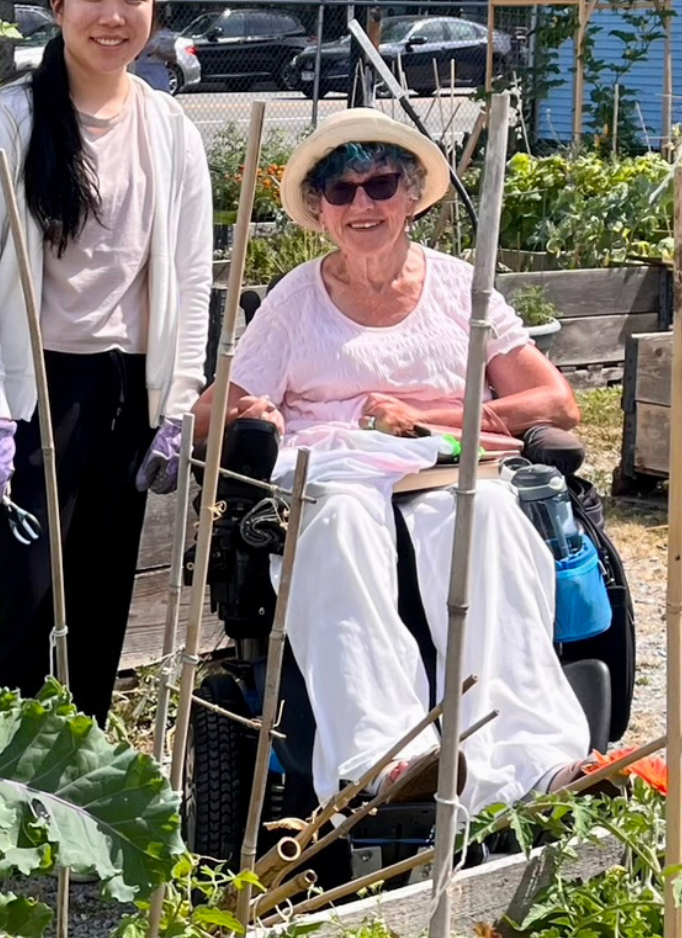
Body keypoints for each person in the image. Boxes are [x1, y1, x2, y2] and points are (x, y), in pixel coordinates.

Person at [192, 108, 591, 817]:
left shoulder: (459, 289)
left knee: (490, 516)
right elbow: (209, 415)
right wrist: (254, 415)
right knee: (341, 521)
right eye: (340, 192)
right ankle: (384, 759)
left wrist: (434, 420)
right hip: (339, 472)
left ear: (412, 196)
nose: (362, 205)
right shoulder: (293, 303)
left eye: (379, 184)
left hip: (440, 469)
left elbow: (556, 402)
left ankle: (537, 760)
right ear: (319, 211)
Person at [0, 0, 212, 726]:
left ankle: (75, 813)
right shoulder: (9, 122)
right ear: (56, 5)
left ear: (154, 9)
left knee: (96, 618)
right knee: (16, 618)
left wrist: (179, 400)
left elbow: (192, 278)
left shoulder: (171, 133)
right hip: (30, 395)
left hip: (124, 396)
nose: (112, 15)